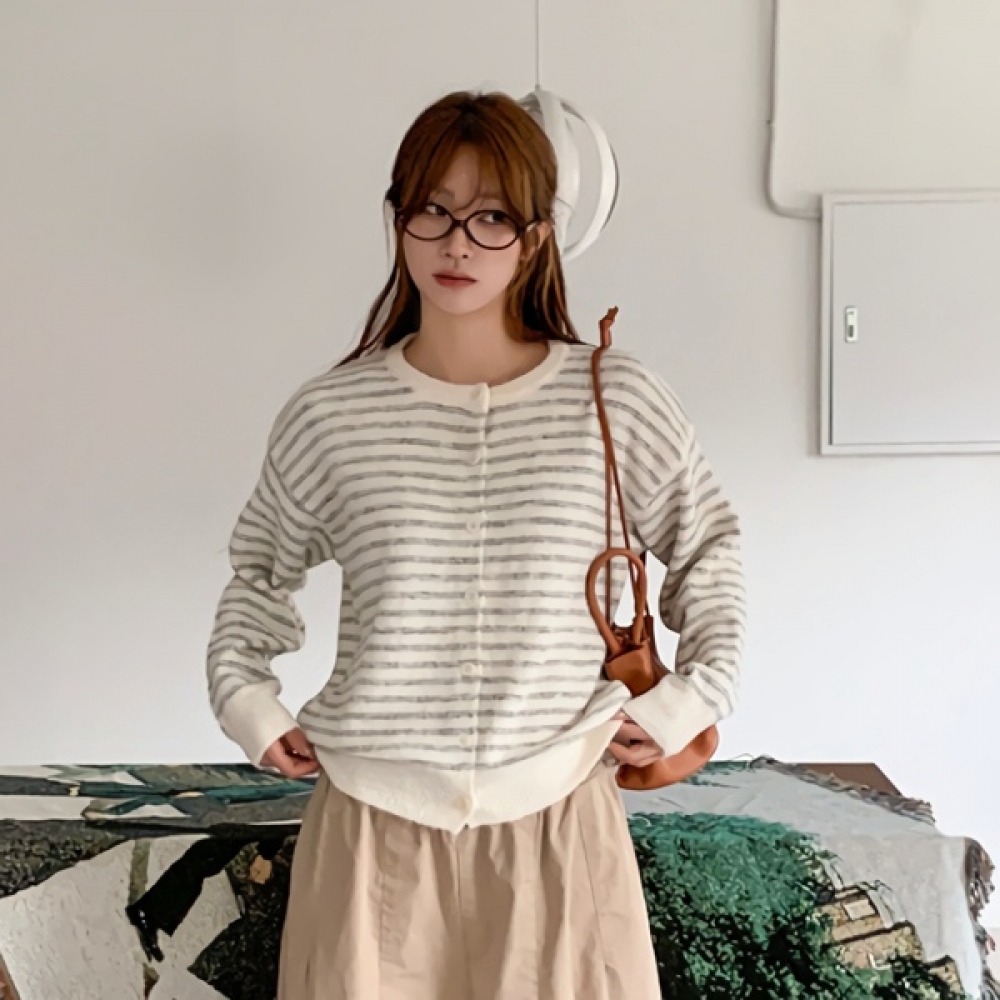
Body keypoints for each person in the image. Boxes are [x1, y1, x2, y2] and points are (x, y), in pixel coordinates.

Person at [205, 89, 746, 1000]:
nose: (458, 243)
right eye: (434, 210)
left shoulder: (616, 400)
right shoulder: (333, 415)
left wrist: (691, 698)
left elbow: (709, 548)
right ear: (398, 220)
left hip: (562, 825)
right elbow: (259, 569)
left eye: (492, 217)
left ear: (536, 238)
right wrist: (247, 701)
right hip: (370, 834)